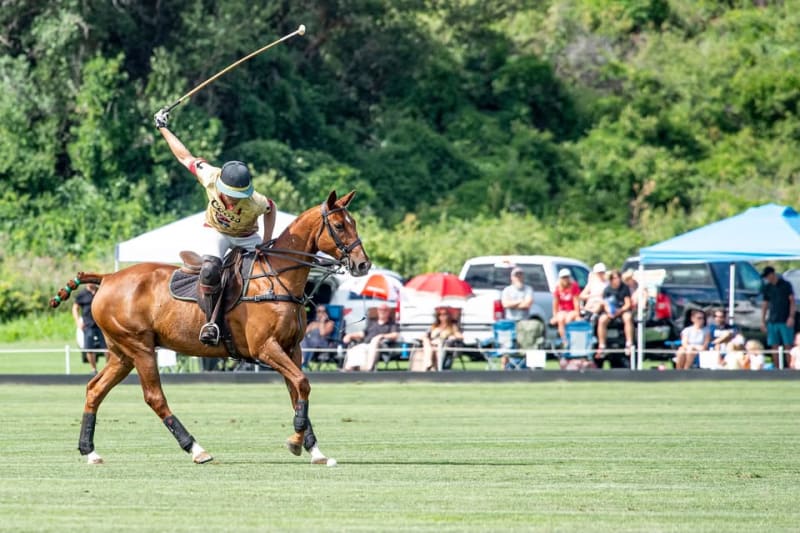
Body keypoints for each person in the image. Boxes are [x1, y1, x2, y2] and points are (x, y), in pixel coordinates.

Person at [154, 108, 277, 346]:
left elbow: (271, 209)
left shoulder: (256, 201)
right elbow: (184, 156)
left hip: (247, 236)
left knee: (267, 269)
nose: (232, 200)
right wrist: (162, 127)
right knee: (210, 270)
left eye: (237, 196)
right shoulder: (209, 176)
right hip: (216, 232)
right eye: (229, 195)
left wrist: (266, 241)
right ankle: (211, 322)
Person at [342, 303, 399, 371]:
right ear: (378, 311)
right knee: (357, 348)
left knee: (374, 341)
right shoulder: (372, 323)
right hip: (366, 344)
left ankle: (369, 369)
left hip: (380, 345)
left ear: (388, 312)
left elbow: (395, 335)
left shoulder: (392, 324)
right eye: (380, 309)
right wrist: (350, 335)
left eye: (385, 310)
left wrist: (381, 336)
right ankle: (349, 369)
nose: (382, 311)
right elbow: (362, 334)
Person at [760, 266, 795, 369]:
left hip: (785, 320)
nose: (767, 278)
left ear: (772, 274)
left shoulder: (786, 285)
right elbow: (765, 304)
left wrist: (791, 317)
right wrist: (762, 321)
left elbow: (792, 301)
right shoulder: (767, 287)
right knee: (774, 345)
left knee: (788, 345)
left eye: (768, 276)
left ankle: (790, 367)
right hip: (772, 321)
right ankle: (776, 368)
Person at [596, 269, 634, 360]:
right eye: (614, 278)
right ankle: (602, 345)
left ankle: (629, 343)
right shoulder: (607, 289)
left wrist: (619, 311)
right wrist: (609, 312)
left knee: (628, 318)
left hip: (622, 310)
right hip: (610, 311)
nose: (616, 280)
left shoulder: (624, 288)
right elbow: (605, 303)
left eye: (618, 278)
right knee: (602, 320)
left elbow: (627, 303)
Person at [72, 284, 106, 375]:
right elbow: (75, 308)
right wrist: (78, 321)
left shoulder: (101, 291)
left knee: (107, 348)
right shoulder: (82, 294)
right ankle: (93, 369)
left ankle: (108, 368)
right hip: (88, 324)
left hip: (102, 324)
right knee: (89, 348)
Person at [300, 305, 337, 370]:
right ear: (316, 313)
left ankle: (304, 363)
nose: (321, 313)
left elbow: (322, 333)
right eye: (319, 311)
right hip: (309, 343)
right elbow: (303, 334)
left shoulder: (330, 323)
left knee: (308, 343)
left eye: (323, 311)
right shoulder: (313, 323)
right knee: (302, 340)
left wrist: (322, 321)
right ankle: (302, 362)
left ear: (327, 313)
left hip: (322, 344)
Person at [551, 268, 580, 346]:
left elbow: (576, 301)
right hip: (562, 311)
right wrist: (554, 316)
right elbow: (555, 303)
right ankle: (564, 341)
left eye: (567, 277)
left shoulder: (574, 286)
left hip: (572, 310)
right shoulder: (558, 288)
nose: (565, 279)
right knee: (560, 319)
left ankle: (572, 340)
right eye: (563, 277)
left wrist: (577, 314)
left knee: (568, 319)